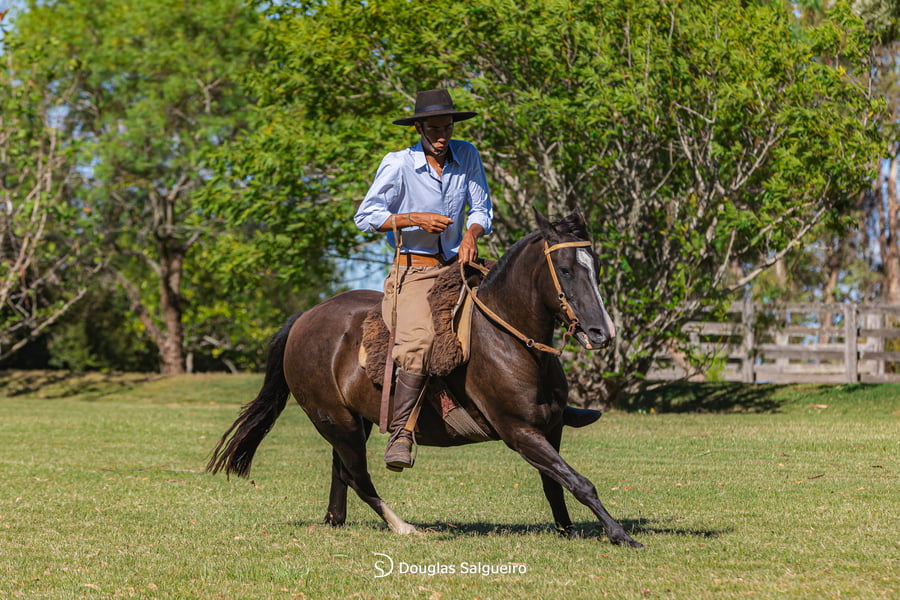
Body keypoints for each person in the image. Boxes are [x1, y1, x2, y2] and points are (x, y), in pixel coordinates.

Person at [354, 89, 493, 471]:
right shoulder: (398, 164)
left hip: (455, 265)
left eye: (447, 127)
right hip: (412, 270)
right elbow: (366, 216)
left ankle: (543, 405)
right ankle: (401, 433)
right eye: (433, 128)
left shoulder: (466, 155)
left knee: (510, 310)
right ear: (418, 128)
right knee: (418, 342)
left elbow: (481, 207)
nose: (442, 134)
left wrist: (471, 235)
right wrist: (414, 217)